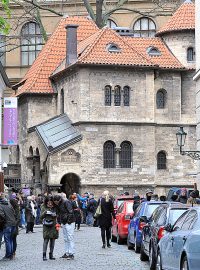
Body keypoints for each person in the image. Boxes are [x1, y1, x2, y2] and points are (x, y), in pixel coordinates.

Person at [53, 194, 76, 260]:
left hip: (69, 222)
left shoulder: (66, 202)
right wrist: (60, 222)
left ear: (59, 200)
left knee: (70, 237)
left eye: (56, 202)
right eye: (55, 202)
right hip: (64, 222)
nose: (56, 203)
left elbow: (70, 212)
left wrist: (68, 221)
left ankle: (71, 253)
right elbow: (59, 214)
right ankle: (67, 252)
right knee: (66, 238)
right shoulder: (58, 204)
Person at [40, 195, 59, 261]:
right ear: (46, 202)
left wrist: (55, 215)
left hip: (53, 225)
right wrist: (45, 212)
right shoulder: (43, 206)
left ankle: (51, 254)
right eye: (48, 202)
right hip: (46, 225)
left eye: (51, 202)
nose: (50, 203)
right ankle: (44, 255)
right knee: (46, 240)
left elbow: (58, 215)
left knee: (53, 240)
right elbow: (40, 217)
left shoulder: (55, 207)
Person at [0, 192, 17, 260]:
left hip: (7, 224)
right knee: (10, 240)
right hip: (13, 223)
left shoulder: (1, 205)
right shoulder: (9, 204)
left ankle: (8, 255)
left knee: (7, 240)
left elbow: (2, 215)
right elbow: (14, 213)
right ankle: (11, 255)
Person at [9, 193, 20, 258]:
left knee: (12, 239)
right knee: (13, 239)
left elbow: (18, 218)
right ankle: (13, 252)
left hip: (13, 225)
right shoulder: (17, 208)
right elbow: (18, 218)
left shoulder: (15, 209)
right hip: (14, 225)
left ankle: (12, 252)